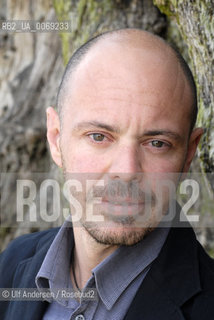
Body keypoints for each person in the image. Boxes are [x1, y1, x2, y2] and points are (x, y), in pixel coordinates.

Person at [0, 28, 214, 320]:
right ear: (55, 138)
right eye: (99, 137)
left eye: (157, 143)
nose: (126, 172)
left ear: (189, 153)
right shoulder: (12, 265)